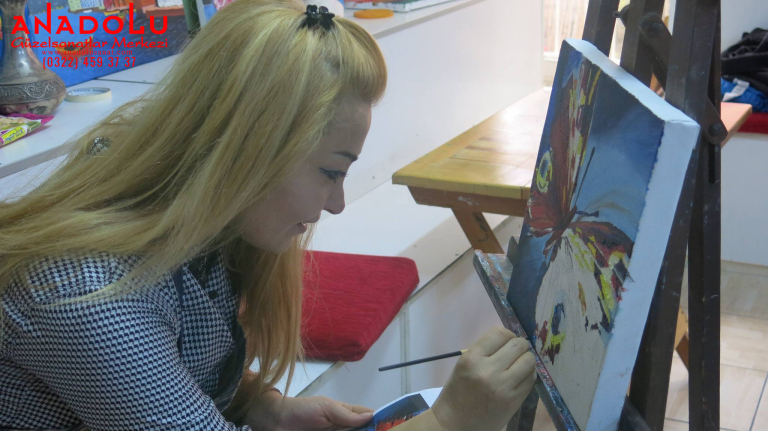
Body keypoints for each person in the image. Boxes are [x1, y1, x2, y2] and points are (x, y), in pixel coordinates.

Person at [0, 1, 536, 430]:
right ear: (248, 153)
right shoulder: (86, 294)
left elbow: (181, 358)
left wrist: (262, 405)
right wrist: (450, 421)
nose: (337, 204)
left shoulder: (198, 214)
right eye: (330, 172)